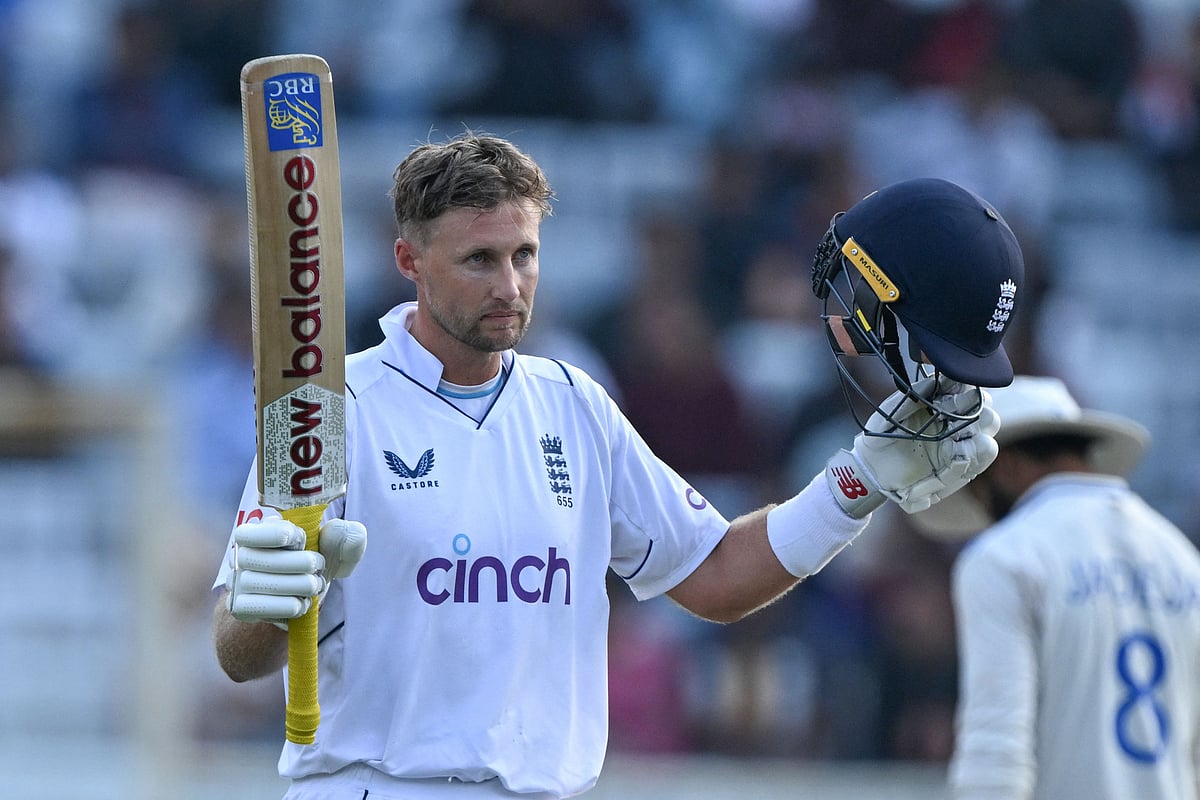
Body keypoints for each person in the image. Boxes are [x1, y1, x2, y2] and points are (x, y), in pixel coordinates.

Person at [211, 135, 1025, 799]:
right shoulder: (324, 408)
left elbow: (711, 577)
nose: (510, 286)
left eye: (525, 255)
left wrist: (858, 482)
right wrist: (264, 603)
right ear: (410, 260)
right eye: (479, 260)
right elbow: (237, 653)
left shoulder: (574, 403)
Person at [913, 375, 1200, 799]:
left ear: (1005, 466)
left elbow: (996, 753)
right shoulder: (1182, 558)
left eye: (978, 491)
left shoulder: (1005, 558)